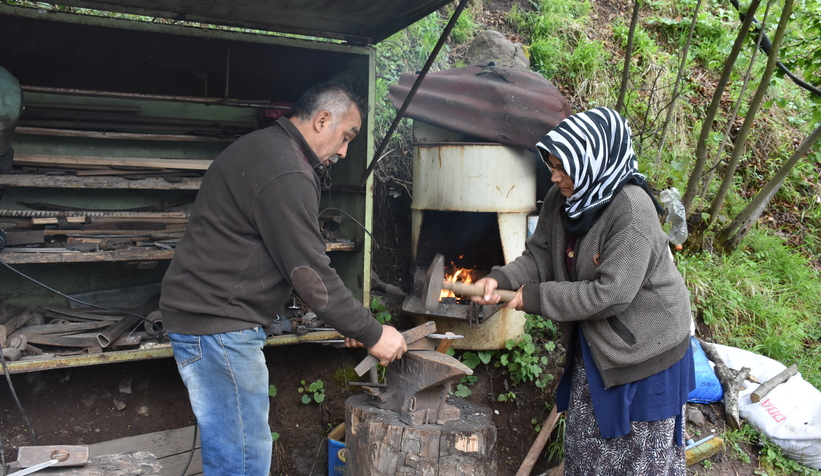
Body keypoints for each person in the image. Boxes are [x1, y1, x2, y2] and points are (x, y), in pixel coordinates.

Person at [159, 81, 408, 476]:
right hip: (220, 328)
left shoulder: (263, 147)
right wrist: (376, 333)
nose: (344, 151)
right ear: (322, 119)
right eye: (345, 137)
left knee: (235, 455)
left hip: (209, 322)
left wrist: (353, 323)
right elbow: (310, 277)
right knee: (241, 464)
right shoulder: (288, 170)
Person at [472, 107, 695, 475]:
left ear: (594, 162)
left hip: (645, 353)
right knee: (586, 451)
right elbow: (540, 254)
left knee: (638, 461)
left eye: (564, 167)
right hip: (597, 345)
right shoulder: (564, 200)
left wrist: (536, 298)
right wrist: (503, 280)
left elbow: (612, 294)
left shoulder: (633, 210)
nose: (556, 177)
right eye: (553, 165)